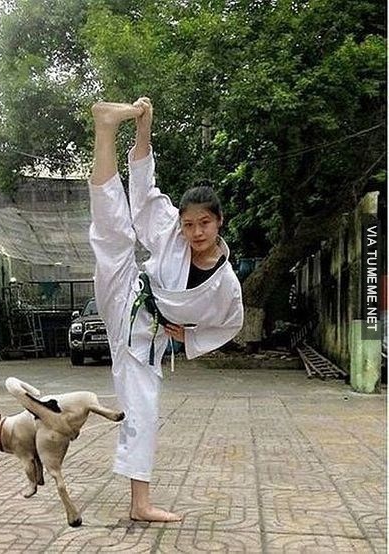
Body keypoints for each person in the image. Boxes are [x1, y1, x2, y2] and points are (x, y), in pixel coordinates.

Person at [88, 98, 244, 522]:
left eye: (204, 224)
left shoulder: (226, 283)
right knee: (113, 234)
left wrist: (190, 336)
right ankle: (106, 127)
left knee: (143, 410)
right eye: (189, 224)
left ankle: (139, 503)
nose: (195, 232)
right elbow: (143, 190)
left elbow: (231, 323)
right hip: (128, 293)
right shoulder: (173, 233)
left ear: (219, 221)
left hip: (145, 336)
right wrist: (144, 126)